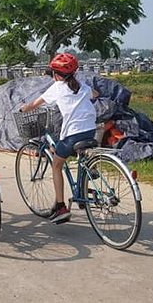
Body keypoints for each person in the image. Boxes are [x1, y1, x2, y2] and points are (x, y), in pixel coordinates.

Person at [19, 52, 98, 224]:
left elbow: (34, 104)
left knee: (57, 164)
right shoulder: (82, 86)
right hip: (91, 130)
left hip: (73, 134)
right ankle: (84, 185)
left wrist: (23, 109)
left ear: (55, 74)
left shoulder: (56, 88)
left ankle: (61, 206)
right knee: (79, 155)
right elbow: (96, 94)